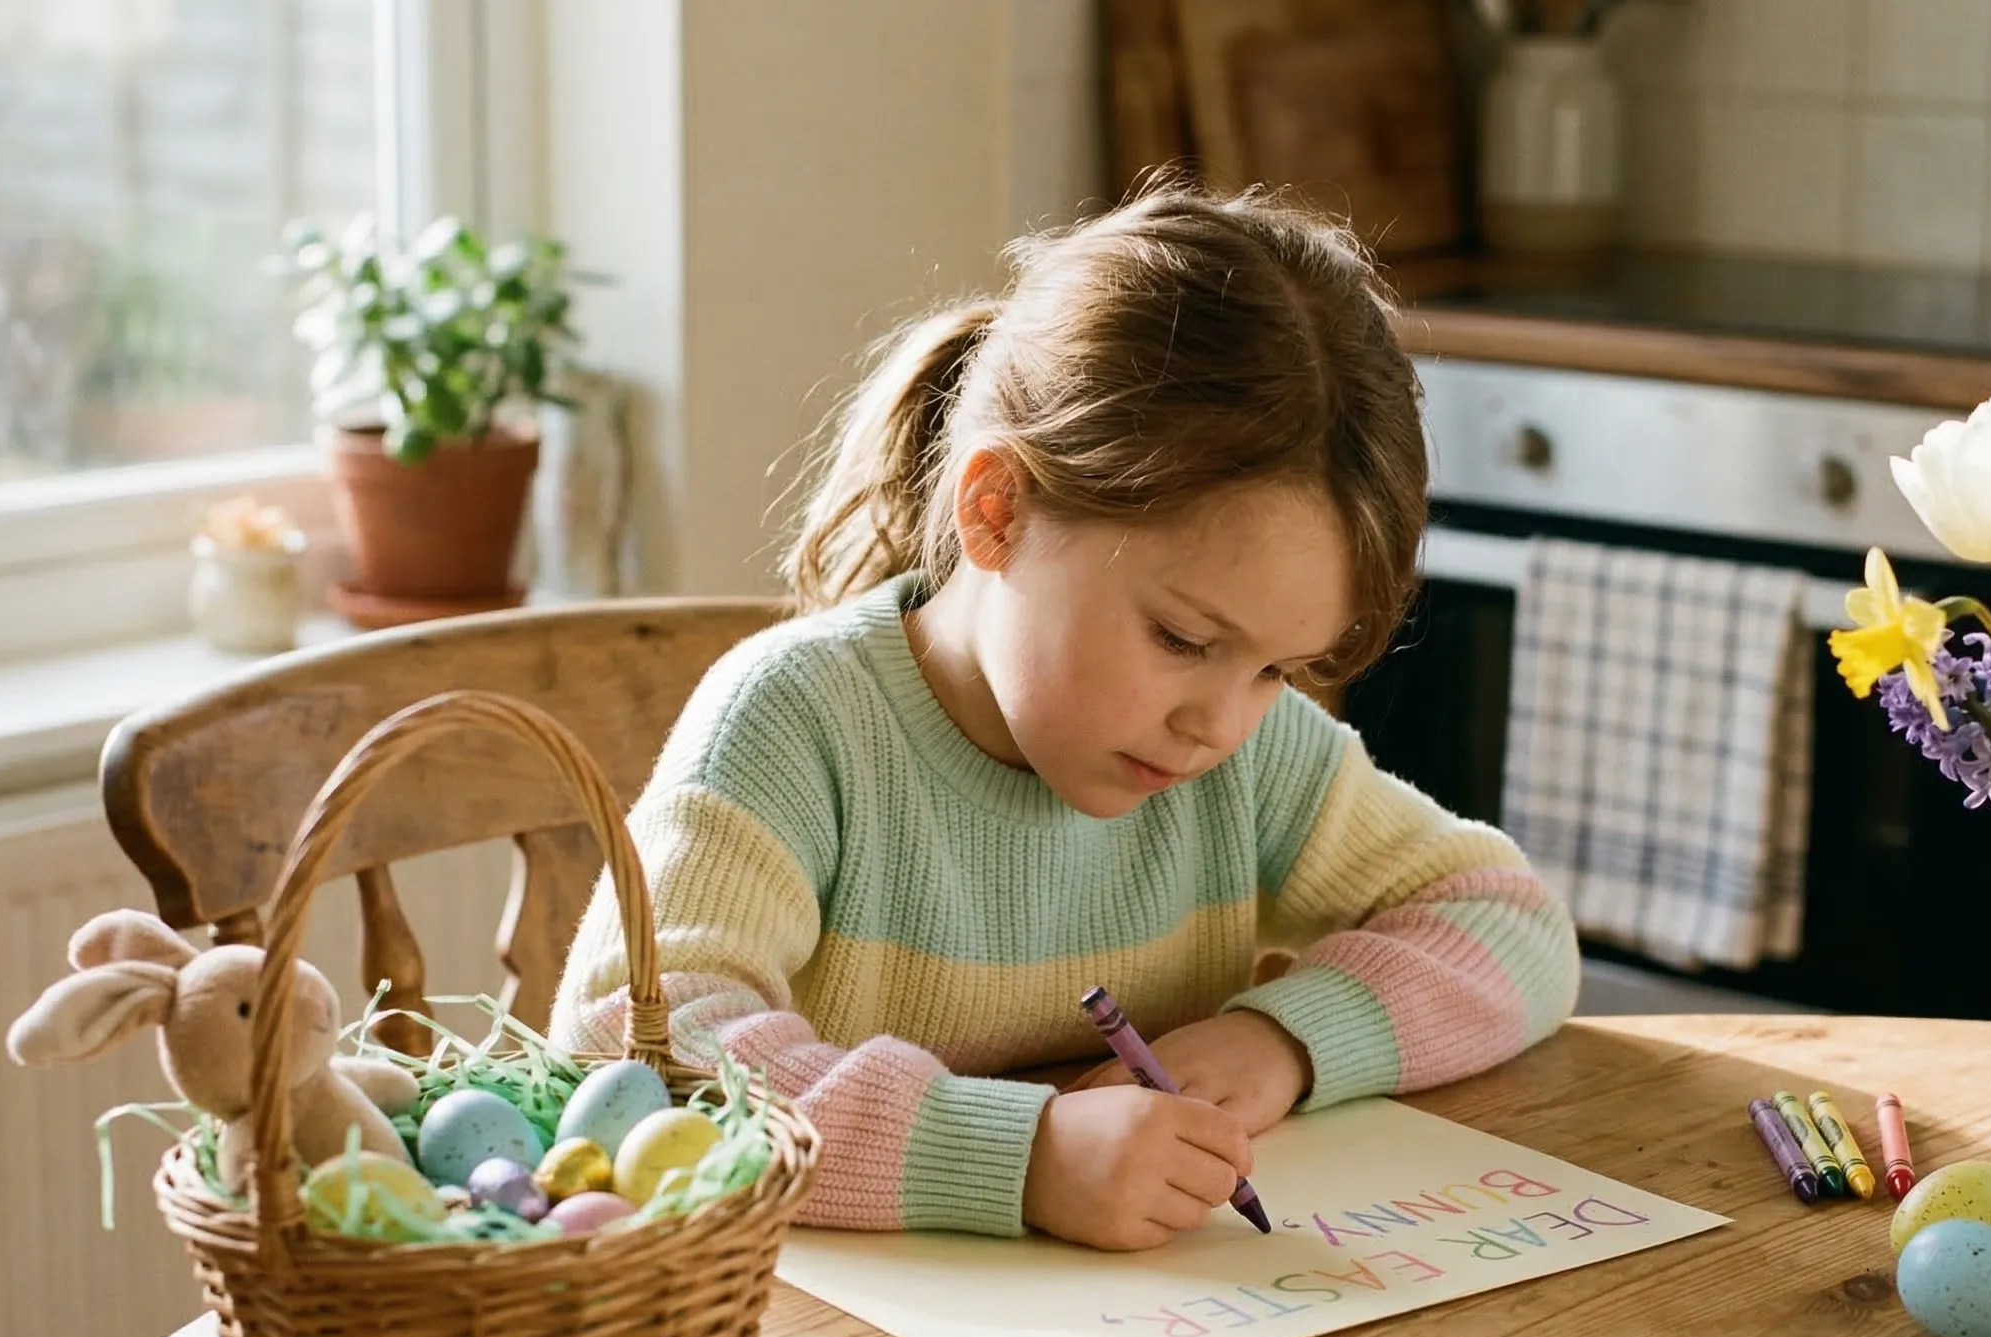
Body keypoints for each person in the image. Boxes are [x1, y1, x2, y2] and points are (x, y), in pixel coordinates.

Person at [551, 185, 1579, 1251]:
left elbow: (1510, 922)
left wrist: (1280, 1041)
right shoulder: (795, 728)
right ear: (996, 510)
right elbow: (629, 1064)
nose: (1219, 725)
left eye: (1277, 668)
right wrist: (1018, 1157)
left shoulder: (1247, 760)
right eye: (1183, 642)